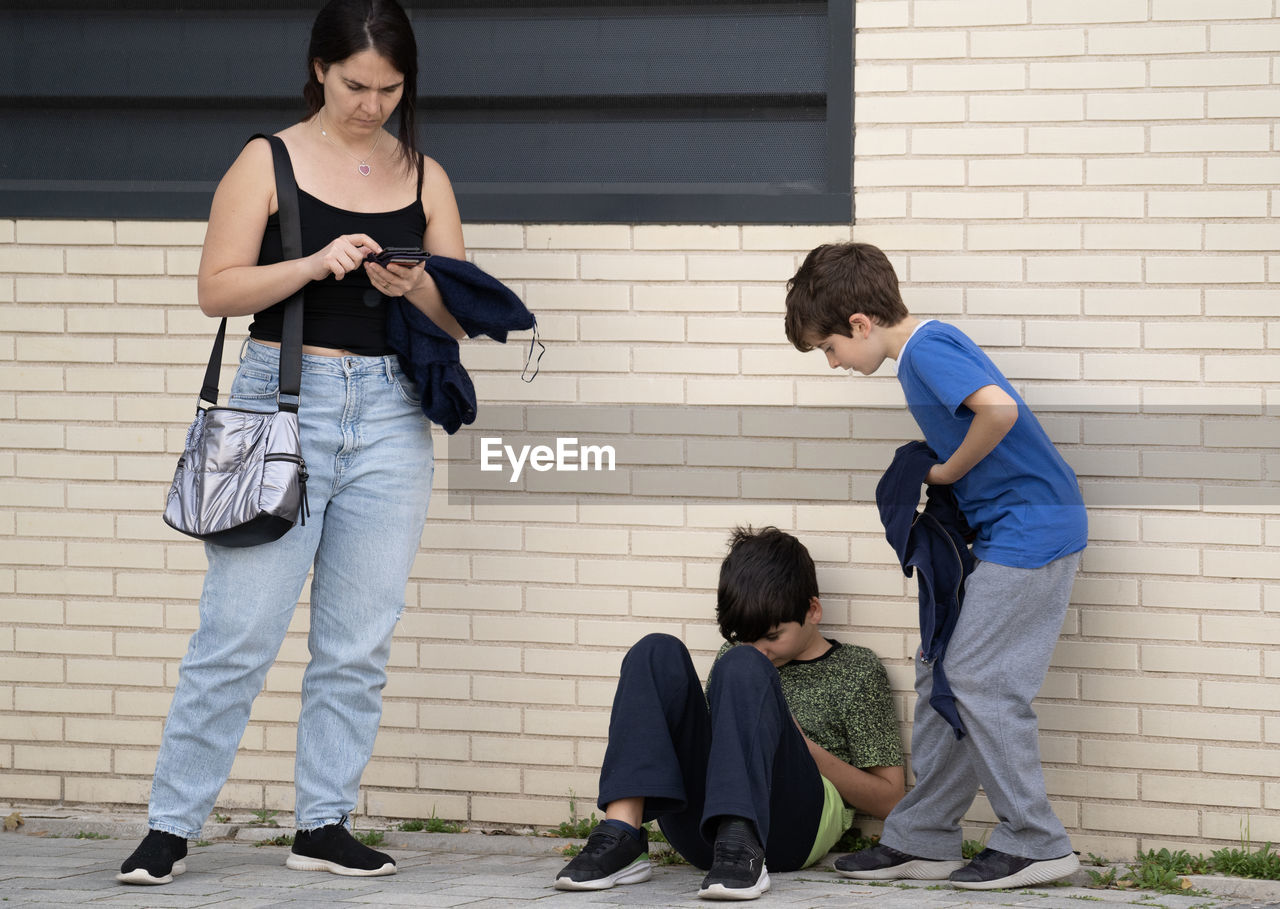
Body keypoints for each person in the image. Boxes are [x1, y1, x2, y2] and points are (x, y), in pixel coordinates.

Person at [118, 0, 465, 885]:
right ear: (319, 69)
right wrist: (313, 265)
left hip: (390, 413)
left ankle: (322, 822)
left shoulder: (425, 174)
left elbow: (456, 318)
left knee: (358, 640)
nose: (373, 103)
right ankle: (170, 824)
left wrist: (408, 283)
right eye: (356, 84)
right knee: (237, 630)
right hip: (281, 401)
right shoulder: (265, 159)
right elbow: (218, 289)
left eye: (390, 88)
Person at [783, 242, 1088, 890]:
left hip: (1033, 528)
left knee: (977, 675)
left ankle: (1037, 840)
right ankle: (922, 838)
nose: (833, 362)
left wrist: (947, 470)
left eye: (829, 347)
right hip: (1006, 530)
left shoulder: (925, 348)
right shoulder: (918, 355)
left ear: (860, 322)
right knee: (941, 676)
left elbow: (997, 409)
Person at [554, 526, 904, 901]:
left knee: (744, 665)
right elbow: (721, 752)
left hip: (792, 831)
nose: (760, 649)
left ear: (812, 610)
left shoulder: (856, 669)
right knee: (654, 651)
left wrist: (804, 747)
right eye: (745, 637)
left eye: (772, 636)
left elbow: (890, 801)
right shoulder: (734, 657)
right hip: (704, 835)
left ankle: (743, 838)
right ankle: (623, 832)